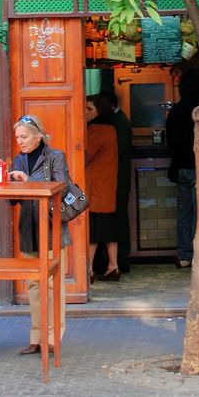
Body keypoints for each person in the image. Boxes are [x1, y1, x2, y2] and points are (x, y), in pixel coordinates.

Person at [8, 114, 71, 355]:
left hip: (51, 227)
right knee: (33, 284)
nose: (20, 142)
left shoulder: (55, 157)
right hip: (29, 228)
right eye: (17, 138)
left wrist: (28, 180)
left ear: (38, 136)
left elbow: (62, 188)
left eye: (24, 137)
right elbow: (15, 200)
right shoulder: (18, 159)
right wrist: (7, 183)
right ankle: (37, 336)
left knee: (54, 284)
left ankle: (53, 339)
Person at [166, 70, 199, 268]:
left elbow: (170, 143)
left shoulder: (175, 111)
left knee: (184, 213)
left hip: (181, 167)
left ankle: (184, 255)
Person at [86, 93, 119, 281]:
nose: (85, 113)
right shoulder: (111, 129)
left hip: (94, 187)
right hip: (107, 186)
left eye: (89, 109)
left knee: (93, 231)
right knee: (108, 229)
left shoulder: (95, 130)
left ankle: (88, 269)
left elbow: (84, 155)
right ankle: (113, 266)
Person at [102, 92, 132, 274]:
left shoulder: (118, 123)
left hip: (117, 182)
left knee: (118, 221)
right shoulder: (119, 121)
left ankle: (121, 259)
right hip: (113, 181)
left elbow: (114, 151)